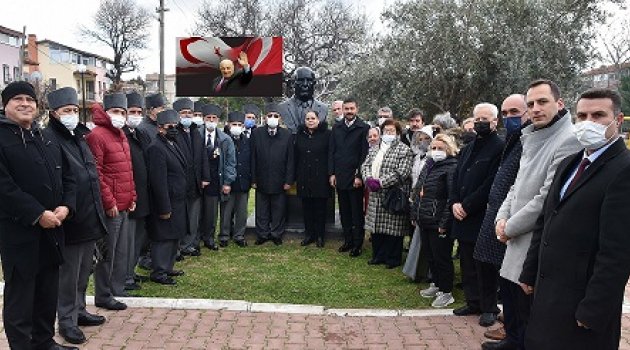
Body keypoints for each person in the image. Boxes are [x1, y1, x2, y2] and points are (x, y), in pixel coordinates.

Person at [519, 88, 630, 350]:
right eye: (582, 116)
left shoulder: (624, 170)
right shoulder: (570, 162)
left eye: (599, 115)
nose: (588, 122)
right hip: (548, 296)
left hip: (582, 304)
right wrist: (529, 270)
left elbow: (618, 252)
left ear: (619, 119)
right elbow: (545, 220)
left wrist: (594, 309)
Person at [487, 80, 582, 350]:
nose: (536, 109)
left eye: (542, 102)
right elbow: (517, 185)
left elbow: (546, 197)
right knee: (511, 300)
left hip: (535, 238)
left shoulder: (568, 140)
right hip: (514, 233)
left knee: (529, 309)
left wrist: (509, 227)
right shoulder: (533, 135)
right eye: (531, 104)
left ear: (560, 104)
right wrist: (501, 219)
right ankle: (513, 340)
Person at [0, 81, 78, 350]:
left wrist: (66, 206)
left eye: (29, 99)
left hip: (53, 229)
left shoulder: (44, 137)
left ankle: (44, 341)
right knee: (21, 297)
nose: (25, 104)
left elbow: (69, 176)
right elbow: (4, 187)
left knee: (47, 292)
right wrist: (36, 214)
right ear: (5, 105)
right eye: (17, 99)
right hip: (20, 232)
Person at [44, 87, 108, 345]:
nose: (71, 114)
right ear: (54, 113)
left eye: (74, 110)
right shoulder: (50, 138)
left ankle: (79, 310)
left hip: (89, 215)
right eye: (66, 111)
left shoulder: (79, 135)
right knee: (68, 276)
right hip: (70, 219)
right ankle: (67, 320)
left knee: (84, 271)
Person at [473, 94, 529, 342]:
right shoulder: (514, 138)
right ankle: (508, 322)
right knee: (494, 267)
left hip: (514, 218)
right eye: (506, 114)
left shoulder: (529, 139)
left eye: (514, 112)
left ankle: (513, 330)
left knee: (512, 276)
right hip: (498, 211)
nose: (510, 118)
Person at [450, 103, 504, 321]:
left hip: (482, 214)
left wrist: (467, 205)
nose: (480, 123)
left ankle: (489, 307)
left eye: (485, 119)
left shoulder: (499, 147)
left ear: (495, 121)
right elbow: (456, 177)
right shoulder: (468, 148)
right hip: (461, 215)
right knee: (467, 262)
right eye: (477, 119)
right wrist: (454, 202)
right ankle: (473, 301)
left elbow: (492, 182)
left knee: (485, 264)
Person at [86, 93, 137, 311]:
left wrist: (132, 196)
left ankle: (116, 289)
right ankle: (103, 294)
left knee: (120, 250)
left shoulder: (121, 134)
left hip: (125, 202)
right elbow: (96, 173)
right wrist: (109, 201)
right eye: (116, 111)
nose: (120, 116)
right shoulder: (97, 135)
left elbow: (127, 169)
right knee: (107, 252)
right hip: (112, 206)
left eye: (123, 112)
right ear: (106, 112)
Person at [411, 134, 459, 307]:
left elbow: (451, 198)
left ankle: (446, 292)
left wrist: (444, 223)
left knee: (442, 257)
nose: (436, 151)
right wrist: (415, 214)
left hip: (439, 221)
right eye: (434, 148)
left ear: (449, 149)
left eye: (440, 148)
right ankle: (436, 284)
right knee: (430, 255)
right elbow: (419, 190)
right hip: (425, 219)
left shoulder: (451, 167)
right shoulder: (429, 165)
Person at [362, 119, 413, 268]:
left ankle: (392, 258)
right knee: (376, 228)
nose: (388, 133)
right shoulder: (374, 148)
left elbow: (402, 172)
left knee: (393, 229)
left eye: (391, 131)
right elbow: (365, 165)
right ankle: (378, 255)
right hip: (375, 195)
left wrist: (381, 182)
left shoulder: (404, 150)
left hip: (393, 194)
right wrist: (368, 179)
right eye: (385, 131)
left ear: (397, 133)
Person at [146, 109, 188, 285]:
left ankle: (168, 267)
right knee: (163, 237)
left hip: (178, 199)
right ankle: (159, 271)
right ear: (160, 128)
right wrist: (164, 207)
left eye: (175, 125)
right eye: (169, 126)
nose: (173, 129)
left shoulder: (172, 143)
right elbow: (158, 181)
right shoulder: (155, 148)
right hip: (166, 200)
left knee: (173, 236)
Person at [329, 97, 370, 257]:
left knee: (356, 213)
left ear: (357, 109)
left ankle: (358, 243)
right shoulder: (337, 127)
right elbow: (332, 152)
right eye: (346, 109)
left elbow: (364, 155)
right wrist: (332, 173)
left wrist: (359, 176)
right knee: (344, 212)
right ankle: (348, 241)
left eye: (352, 108)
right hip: (339, 176)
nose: (349, 111)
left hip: (355, 178)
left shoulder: (363, 128)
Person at [251, 103, 295, 245]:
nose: (272, 118)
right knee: (261, 209)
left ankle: (276, 234)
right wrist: (253, 178)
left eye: (275, 116)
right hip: (261, 178)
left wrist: (289, 180)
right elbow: (253, 157)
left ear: (280, 119)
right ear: (265, 118)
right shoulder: (257, 133)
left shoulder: (287, 135)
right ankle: (262, 234)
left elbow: (290, 159)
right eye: (269, 116)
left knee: (278, 208)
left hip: (280, 179)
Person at [122, 92, 152, 292]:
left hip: (143, 196)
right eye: (132, 111)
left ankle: (131, 271)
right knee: (127, 240)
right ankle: (124, 276)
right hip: (128, 197)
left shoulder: (139, 134)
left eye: (139, 112)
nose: (136, 115)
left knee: (138, 238)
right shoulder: (121, 134)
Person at [173, 98, 210, 257]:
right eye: (184, 113)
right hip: (180, 182)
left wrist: (205, 177)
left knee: (194, 215)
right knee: (180, 216)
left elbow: (203, 156)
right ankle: (178, 247)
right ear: (178, 115)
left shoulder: (196, 131)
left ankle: (189, 244)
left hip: (195, 182)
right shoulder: (174, 132)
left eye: (190, 113)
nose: (187, 116)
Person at [199, 104, 236, 249]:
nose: (211, 120)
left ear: (218, 120)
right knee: (200, 212)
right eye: (208, 118)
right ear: (203, 119)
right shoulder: (197, 136)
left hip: (217, 179)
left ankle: (209, 238)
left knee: (212, 212)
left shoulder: (225, 139)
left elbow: (230, 162)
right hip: (200, 180)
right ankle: (197, 238)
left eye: (214, 118)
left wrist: (227, 182)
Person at [402, 125, 434, 282]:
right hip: (415, 199)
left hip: (429, 201)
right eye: (420, 139)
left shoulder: (433, 158)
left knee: (426, 239)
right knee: (417, 237)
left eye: (426, 139)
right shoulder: (416, 157)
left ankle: (427, 272)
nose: (423, 142)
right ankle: (416, 270)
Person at [295, 110, 332, 247]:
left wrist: (330, 173)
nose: (310, 121)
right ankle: (309, 235)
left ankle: (320, 236)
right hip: (304, 176)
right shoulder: (300, 135)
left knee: (320, 209)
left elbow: (330, 155)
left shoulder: (327, 134)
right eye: (307, 118)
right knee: (307, 208)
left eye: (313, 118)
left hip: (320, 177)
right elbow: (296, 155)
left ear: (318, 119)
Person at [221, 111, 251, 247]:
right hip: (228, 182)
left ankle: (239, 235)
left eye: (240, 124)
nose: (237, 127)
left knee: (242, 211)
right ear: (228, 125)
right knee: (226, 210)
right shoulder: (224, 139)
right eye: (234, 124)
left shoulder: (248, 141)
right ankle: (224, 235)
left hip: (243, 181)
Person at [278, 67, 328, 133]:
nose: (305, 84)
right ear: (293, 83)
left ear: (314, 84)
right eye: (300, 80)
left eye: (309, 80)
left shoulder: (323, 108)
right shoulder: (282, 107)